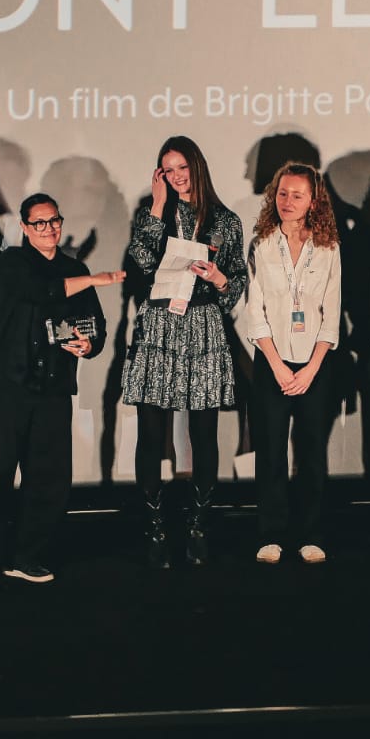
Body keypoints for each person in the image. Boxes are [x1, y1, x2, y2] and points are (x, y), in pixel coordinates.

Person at [0, 193, 120, 590]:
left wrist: (89, 344)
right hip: (7, 386)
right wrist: (95, 279)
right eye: (39, 222)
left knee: (48, 477)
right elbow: (43, 291)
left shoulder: (74, 268)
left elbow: (94, 323)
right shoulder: (12, 262)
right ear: (24, 227)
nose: (49, 229)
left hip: (53, 388)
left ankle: (28, 556)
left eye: (54, 220)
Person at [121, 136, 247, 567]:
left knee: (203, 434)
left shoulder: (225, 220)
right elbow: (140, 261)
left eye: (182, 168)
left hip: (203, 324)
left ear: (197, 166)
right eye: (167, 169)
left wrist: (217, 279)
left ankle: (198, 526)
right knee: (151, 433)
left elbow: (236, 285)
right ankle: (155, 527)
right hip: (159, 323)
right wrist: (158, 207)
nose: (175, 177)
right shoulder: (154, 212)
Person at [244, 161, 342, 563]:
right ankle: (271, 534)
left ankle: (310, 534)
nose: (287, 201)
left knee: (312, 451)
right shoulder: (262, 243)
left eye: (297, 195)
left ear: (313, 201)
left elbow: (331, 314)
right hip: (272, 361)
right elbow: (255, 311)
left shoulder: (329, 247)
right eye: (282, 193)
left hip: (315, 365)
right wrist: (278, 366)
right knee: (270, 451)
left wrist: (311, 369)